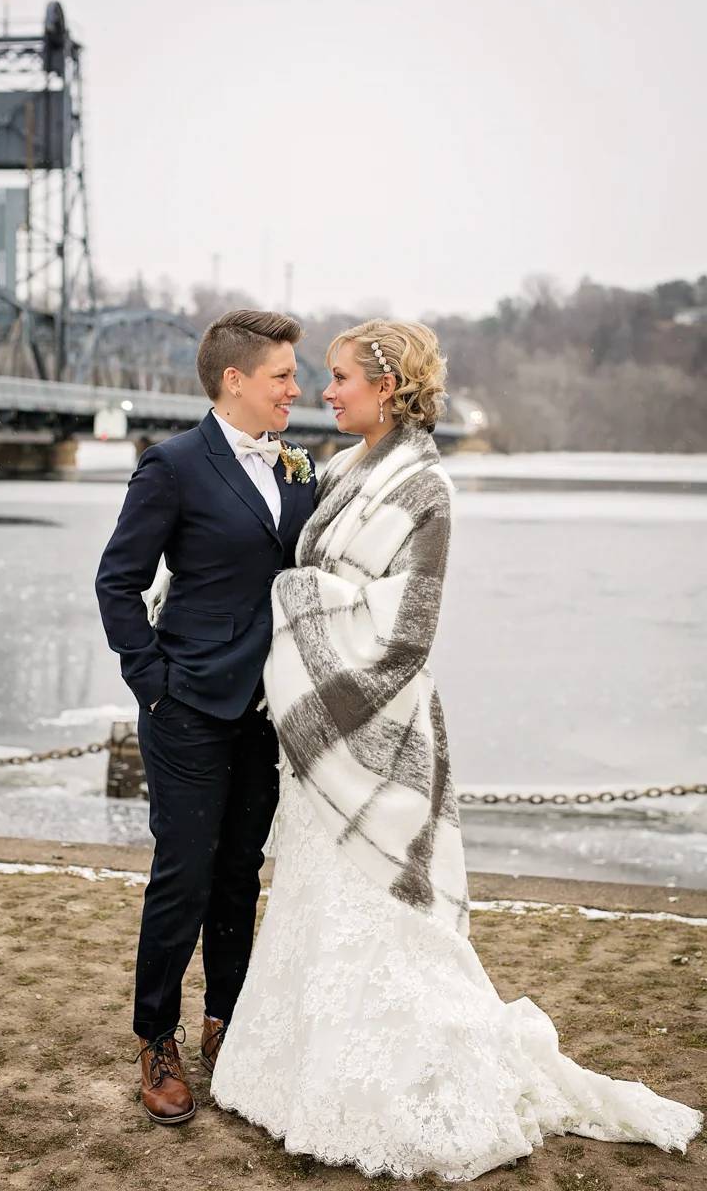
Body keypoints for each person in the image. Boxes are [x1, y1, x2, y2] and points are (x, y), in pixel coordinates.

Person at [210, 320, 703, 1180]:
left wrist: (295, 593)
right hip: (323, 739)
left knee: (388, 922)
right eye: (321, 379)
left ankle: (405, 1083)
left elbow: (406, 630)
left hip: (382, 731)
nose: (326, 393)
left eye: (340, 378)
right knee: (322, 909)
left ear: (389, 386)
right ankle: (299, 1074)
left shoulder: (426, 487)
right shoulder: (340, 470)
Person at [95, 310, 316, 1125]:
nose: (298, 388)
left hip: (267, 714)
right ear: (235, 380)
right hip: (187, 706)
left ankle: (228, 1022)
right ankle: (157, 1034)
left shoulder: (300, 468)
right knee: (183, 876)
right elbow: (117, 581)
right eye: (283, 375)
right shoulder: (174, 466)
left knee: (237, 876)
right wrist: (151, 682)